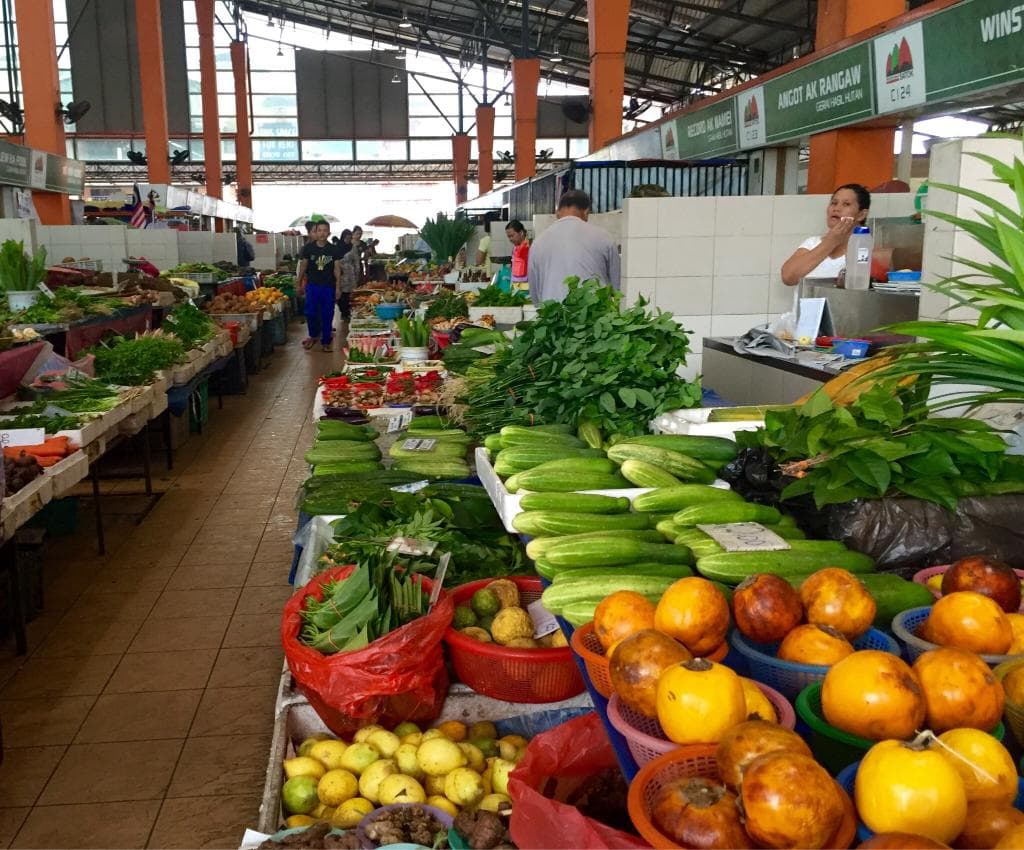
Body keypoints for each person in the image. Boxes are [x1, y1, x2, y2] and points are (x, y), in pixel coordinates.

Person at [527, 190, 621, 305]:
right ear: (586, 212)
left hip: (552, 317)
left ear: (557, 212)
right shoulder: (604, 237)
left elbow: (534, 291)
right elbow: (617, 286)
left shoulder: (538, 242)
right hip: (596, 317)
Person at [780, 184, 871, 285]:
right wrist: (830, 241)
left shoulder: (865, 250)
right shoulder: (812, 243)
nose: (836, 208)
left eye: (846, 204)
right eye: (834, 203)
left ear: (861, 214)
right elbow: (788, 278)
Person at [297, 220, 340, 352]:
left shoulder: (333, 249)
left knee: (327, 313)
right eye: (319, 230)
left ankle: (326, 341)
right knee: (310, 313)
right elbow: (304, 266)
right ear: (315, 232)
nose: (322, 233)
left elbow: (337, 268)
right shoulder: (309, 248)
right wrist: (298, 282)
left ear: (329, 233)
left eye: (324, 230)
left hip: (328, 287)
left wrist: (338, 286)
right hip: (312, 286)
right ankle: (313, 336)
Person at [338, 232, 362, 347]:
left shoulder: (353, 248)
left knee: (349, 295)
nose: (347, 240)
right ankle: (343, 312)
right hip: (340, 275)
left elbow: (357, 261)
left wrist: (358, 274)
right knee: (341, 295)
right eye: (346, 238)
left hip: (350, 275)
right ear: (343, 237)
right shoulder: (337, 247)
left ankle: (348, 312)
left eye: (349, 238)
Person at [506, 220, 530, 292]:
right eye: (508, 237)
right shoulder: (515, 248)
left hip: (527, 288)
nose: (510, 239)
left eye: (512, 236)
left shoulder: (529, 248)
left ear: (521, 233)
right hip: (515, 287)